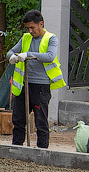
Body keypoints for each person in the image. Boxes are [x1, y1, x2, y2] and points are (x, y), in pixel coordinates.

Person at [7, 9, 67, 148]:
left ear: (41, 24)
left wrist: (28, 54)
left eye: (32, 27)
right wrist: (12, 57)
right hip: (24, 84)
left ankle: (42, 150)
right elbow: (11, 51)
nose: (30, 31)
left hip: (41, 86)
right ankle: (16, 147)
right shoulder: (26, 38)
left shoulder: (51, 38)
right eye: (27, 28)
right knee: (18, 118)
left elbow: (50, 56)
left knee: (40, 119)